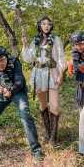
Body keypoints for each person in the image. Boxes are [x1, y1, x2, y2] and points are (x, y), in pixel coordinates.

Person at [0, 46, 43, 161]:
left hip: (17, 92)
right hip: (1, 94)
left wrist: (11, 91)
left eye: (2, 60)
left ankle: (36, 150)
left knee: (25, 115)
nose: (0, 64)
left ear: (6, 57)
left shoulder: (14, 61)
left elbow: (20, 81)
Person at [21, 16, 66, 145]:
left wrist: (61, 73)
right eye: (43, 23)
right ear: (39, 25)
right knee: (43, 105)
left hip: (52, 73)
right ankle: (48, 133)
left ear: (51, 26)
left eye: (49, 24)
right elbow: (28, 58)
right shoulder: (35, 40)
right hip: (38, 74)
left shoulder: (56, 39)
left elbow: (61, 57)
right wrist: (24, 45)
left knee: (55, 106)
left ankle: (53, 137)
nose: (46, 26)